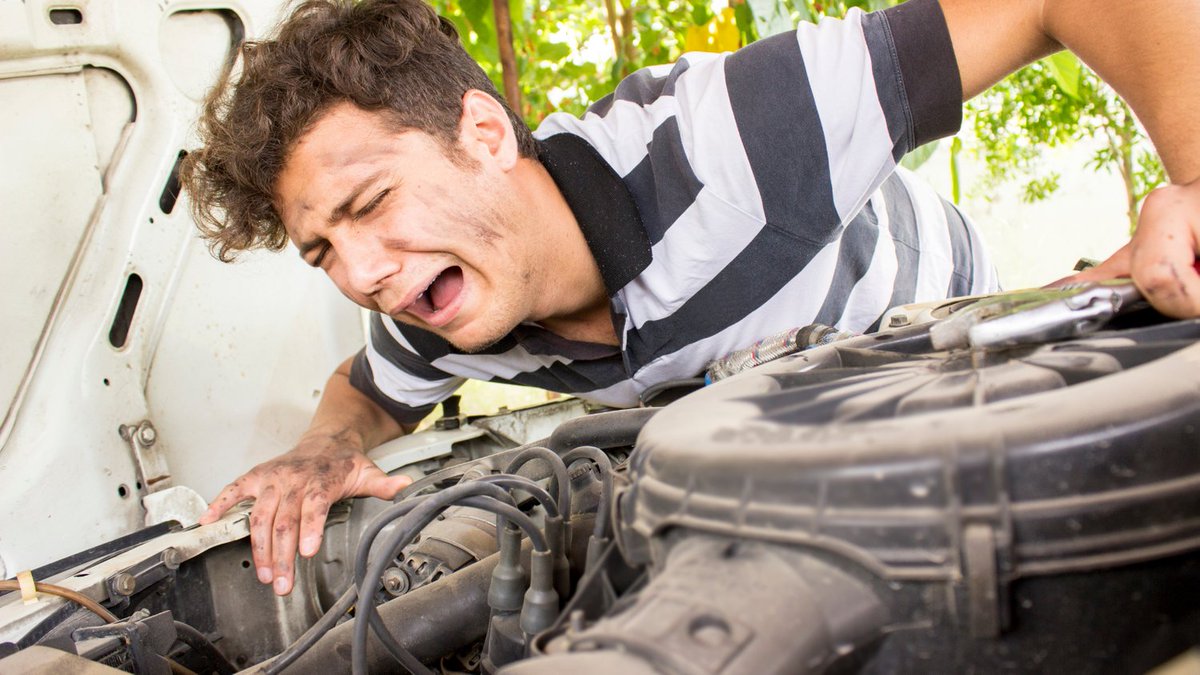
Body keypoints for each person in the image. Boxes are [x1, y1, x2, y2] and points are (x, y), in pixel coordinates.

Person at [182, 0, 1200, 596]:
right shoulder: (435, 303)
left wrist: (1194, 180)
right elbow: (367, 389)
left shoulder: (737, 133)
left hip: (969, 379)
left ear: (486, 136)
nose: (361, 272)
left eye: (368, 205)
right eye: (323, 250)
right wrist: (323, 450)